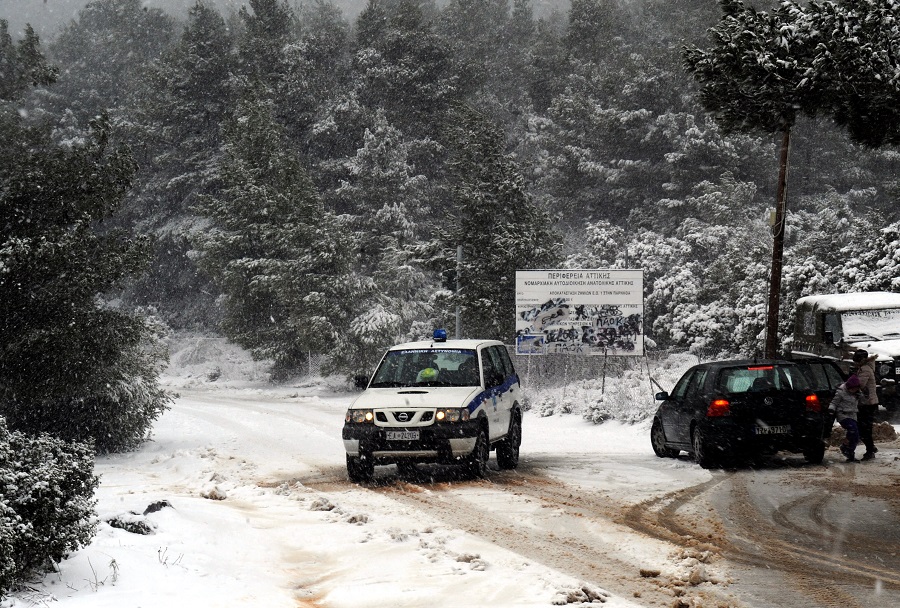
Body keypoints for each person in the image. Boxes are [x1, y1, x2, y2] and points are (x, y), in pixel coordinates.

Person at [829, 374, 863, 462]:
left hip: (853, 415)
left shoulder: (857, 393)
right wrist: (831, 409)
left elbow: (863, 400)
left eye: (856, 389)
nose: (854, 390)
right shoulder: (841, 392)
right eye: (852, 389)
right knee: (853, 429)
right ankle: (846, 449)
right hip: (843, 415)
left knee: (855, 436)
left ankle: (849, 451)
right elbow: (834, 402)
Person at [853, 349, 879, 460]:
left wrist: (848, 385)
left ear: (861, 360)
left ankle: (870, 450)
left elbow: (860, 384)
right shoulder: (865, 368)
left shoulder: (865, 369)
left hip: (867, 403)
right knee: (865, 428)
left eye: (856, 360)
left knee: (864, 428)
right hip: (868, 403)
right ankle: (871, 448)